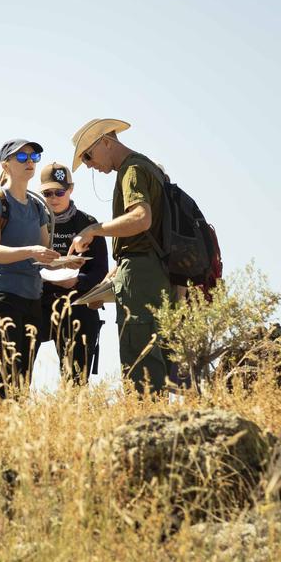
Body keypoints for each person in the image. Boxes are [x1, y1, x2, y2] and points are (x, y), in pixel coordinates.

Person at [67, 119, 172, 394]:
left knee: (140, 365)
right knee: (156, 362)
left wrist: (93, 230)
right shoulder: (147, 166)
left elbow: (141, 218)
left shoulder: (131, 170)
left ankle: (147, 426)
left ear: (106, 142)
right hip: (153, 273)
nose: (89, 165)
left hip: (141, 278)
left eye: (88, 156)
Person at [0, 139, 71, 398]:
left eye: (33, 157)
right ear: (5, 165)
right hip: (1, 297)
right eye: (21, 157)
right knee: (3, 372)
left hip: (32, 297)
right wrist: (32, 252)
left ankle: (13, 432)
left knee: (23, 377)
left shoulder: (38, 206)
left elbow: (44, 256)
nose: (29, 161)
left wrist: (67, 262)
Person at [33, 162, 108, 385]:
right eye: (47, 192)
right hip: (38, 301)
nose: (54, 197)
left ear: (71, 190)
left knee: (76, 379)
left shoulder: (88, 223)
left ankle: (73, 409)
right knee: (17, 366)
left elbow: (100, 270)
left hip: (77, 303)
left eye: (60, 191)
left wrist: (77, 280)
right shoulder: (31, 222)